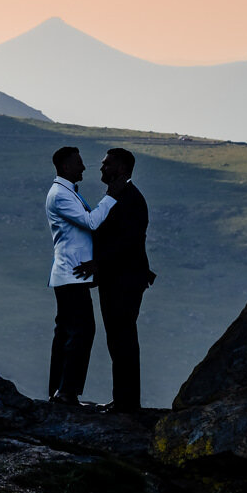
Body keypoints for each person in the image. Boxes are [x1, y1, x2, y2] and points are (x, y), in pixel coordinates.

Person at [74, 147, 154, 414]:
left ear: (121, 169)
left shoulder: (129, 199)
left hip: (124, 280)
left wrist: (98, 263)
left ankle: (126, 402)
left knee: (122, 339)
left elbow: (126, 242)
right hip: (119, 278)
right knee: (119, 339)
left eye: (107, 165)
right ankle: (124, 399)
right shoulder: (121, 196)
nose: (101, 168)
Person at [44, 145, 119, 406]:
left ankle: (58, 390)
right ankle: (67, 392)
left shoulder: (65, 192)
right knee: (82, 331)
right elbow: (90, 222)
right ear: (65, 167)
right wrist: (111, 196)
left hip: (69, 275)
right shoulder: (61, 195)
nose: (84, 167)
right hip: (71, 275)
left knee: (65, 333)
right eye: (78, 162)